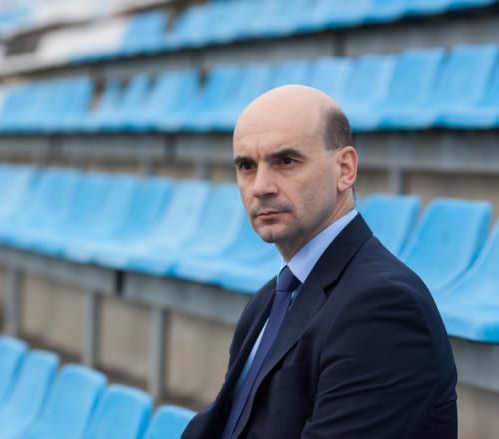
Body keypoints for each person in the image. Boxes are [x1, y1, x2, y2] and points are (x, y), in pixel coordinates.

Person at [181, 85, 457, 439]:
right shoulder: (269, 300)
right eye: (246, 166)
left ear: (345, 169)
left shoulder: (383, 307)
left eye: (286, 161)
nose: (261, 186)